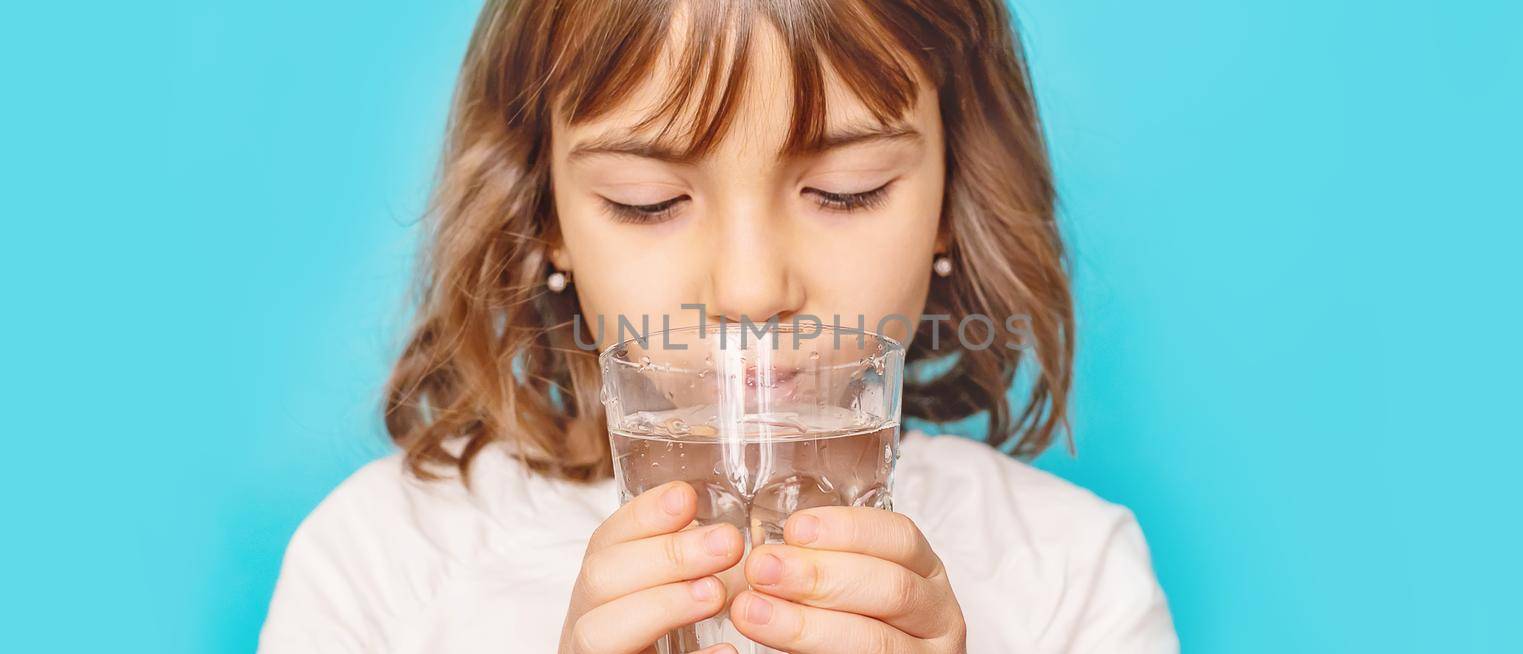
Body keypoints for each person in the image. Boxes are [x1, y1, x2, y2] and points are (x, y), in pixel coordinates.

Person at [259, 0, 1178, 652]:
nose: (747, 290)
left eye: (845, 192)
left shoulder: (1071, 574)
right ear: (545, 215)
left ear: (950, 199)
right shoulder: (381, 567)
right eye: (648, 201)